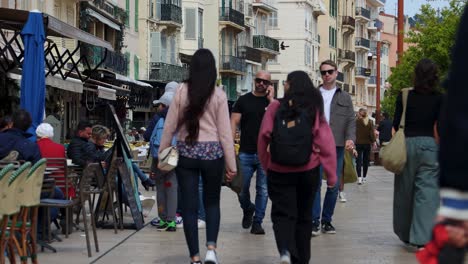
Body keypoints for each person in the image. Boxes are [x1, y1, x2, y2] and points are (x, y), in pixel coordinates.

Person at [158, 49, 236, 264]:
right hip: (213, 155)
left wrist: (161, 153)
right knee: (212, 203)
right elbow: (225, 134)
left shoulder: (182, 91)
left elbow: (169, 127)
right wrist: (231, 164)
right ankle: (211, 249)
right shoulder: (219, 94)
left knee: (190, 207)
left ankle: (194, 257)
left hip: (187, 154)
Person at [258, 71, 337, 264]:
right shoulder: (313, 108)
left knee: (282, 213)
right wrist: (332, 175)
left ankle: (285, 249)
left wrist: (267, 164)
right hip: (308, 170)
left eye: (285, 83)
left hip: (279, 169)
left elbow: (263, 136)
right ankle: (301, 260)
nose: (284, 86)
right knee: (304, 217)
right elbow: (325, 141)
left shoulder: (275, 106)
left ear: (290, 85)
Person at [392, 58, 442, 249]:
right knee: (427, 193)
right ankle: (421, 238)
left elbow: (396, 124)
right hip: (430, 146)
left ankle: (404, 233)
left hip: (407, 145)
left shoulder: (404, 95)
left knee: (404, 191)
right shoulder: (440, 98)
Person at [312, 60, 355, 236]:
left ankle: (327, 221)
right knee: (314, 184)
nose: (326, 75)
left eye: (330, 71)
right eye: (323, 72)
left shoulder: (344, 97)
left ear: (336, 73)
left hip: (336, 146)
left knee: (334, 184)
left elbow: (351, 120)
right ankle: (314, 221)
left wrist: (350, 138)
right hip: (315, 145)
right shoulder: (313, 95)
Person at [230, 70, 274, 235]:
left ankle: (258, 222)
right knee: (240, 188)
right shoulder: (243, 100)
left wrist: (271, 100)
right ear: (254, 81)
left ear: (270, 85)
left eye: (265, 82)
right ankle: (248, 208)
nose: (261, 83)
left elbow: (279, 120)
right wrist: (229, 145)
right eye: (258, 80)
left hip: (266, 153)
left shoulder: (272, 103)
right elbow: (233, 122)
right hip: (246, 152)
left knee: (263, 189)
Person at [147, 91, 178, 232]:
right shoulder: (179, 117)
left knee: (160, 188)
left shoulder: (157, 117)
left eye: (159, 104)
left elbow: (147, 135)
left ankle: (162, 218)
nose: (158, 107)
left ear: (164, 105)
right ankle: (172, 221)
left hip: (158, 157)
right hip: (173, 157)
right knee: (171, 188)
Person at [355, 108, 376, 185]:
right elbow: (372, 134)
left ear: (359, 114)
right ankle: (364, 178)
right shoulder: (370, 122)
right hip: (367, 144)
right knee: (366, 161)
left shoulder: (356, 122)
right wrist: (373, 142)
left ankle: (359, 179)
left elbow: (354, 132)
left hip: (358, 144)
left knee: (358, 161)